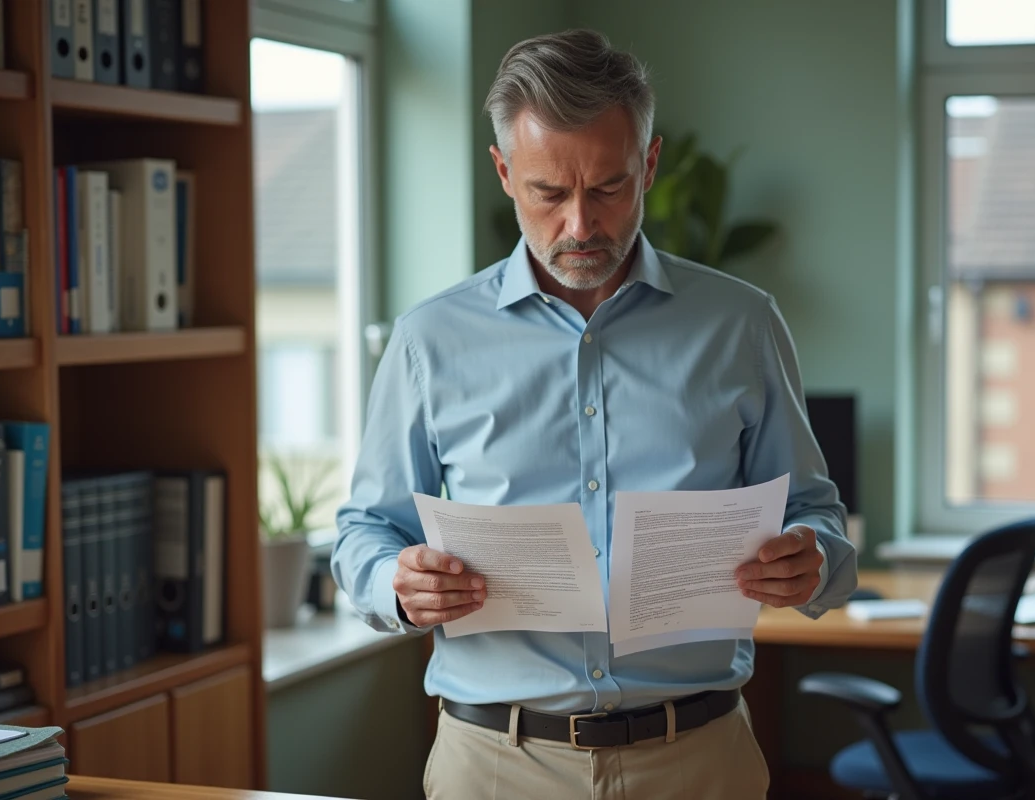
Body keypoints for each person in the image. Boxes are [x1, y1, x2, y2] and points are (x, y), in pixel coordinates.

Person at [332, 28, 857, 799]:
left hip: (699, 761)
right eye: (549, 192)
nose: (580, 225)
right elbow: (362, 533)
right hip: (495, 765)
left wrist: (810, 560)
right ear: (504, 173)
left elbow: (820, 521)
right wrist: (396, 582)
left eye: (609, 187)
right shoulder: (427, 341)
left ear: (648, 165)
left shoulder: (742, 324)